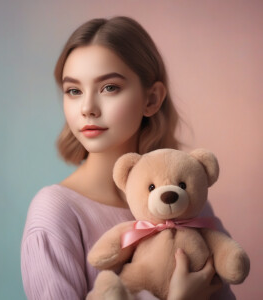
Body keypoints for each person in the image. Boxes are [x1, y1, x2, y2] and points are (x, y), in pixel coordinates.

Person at [21, 16, 234, 300]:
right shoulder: (55, 213)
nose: (87, 108)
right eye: (74, 90)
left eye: (109, 87)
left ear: (152, 99)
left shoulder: (189, 197)